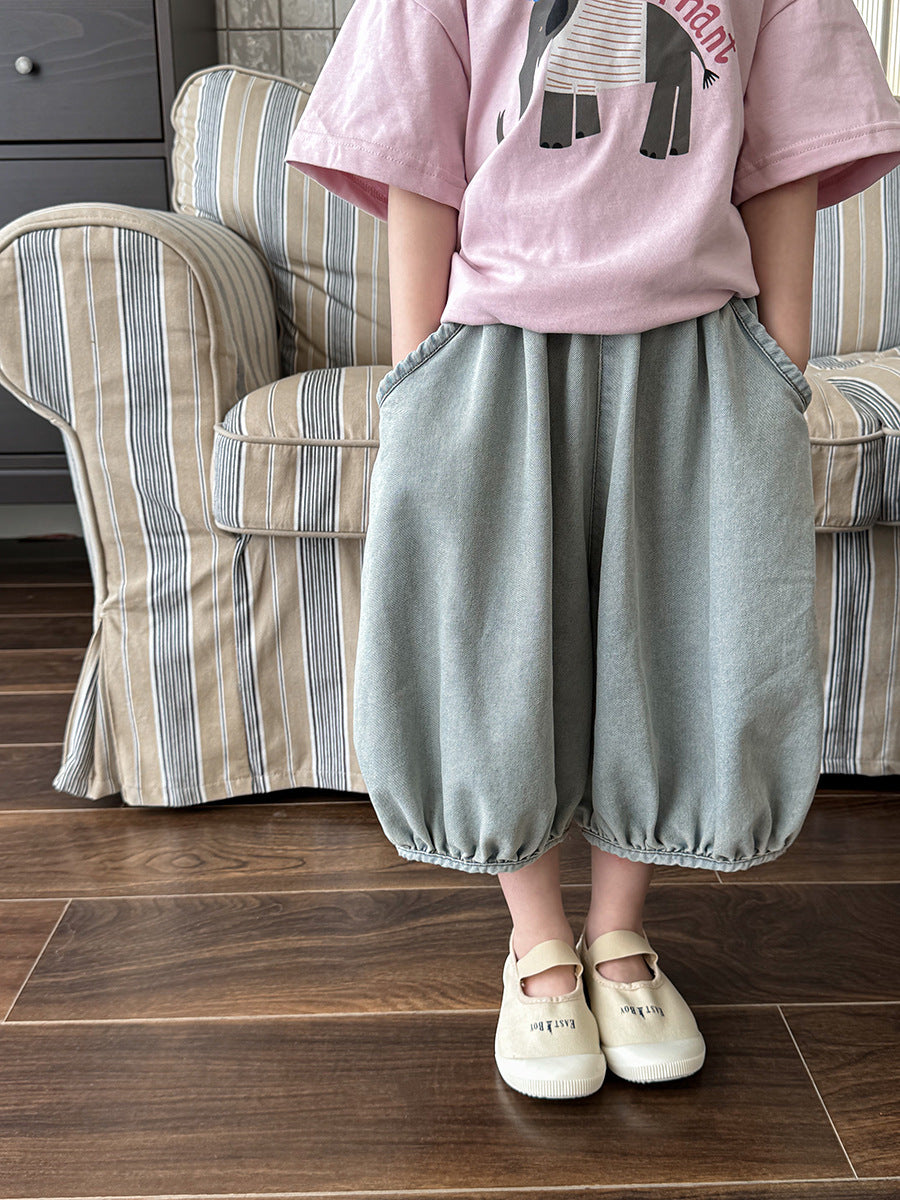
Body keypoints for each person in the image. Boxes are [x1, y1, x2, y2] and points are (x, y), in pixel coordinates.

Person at [284, 0, 900, 1100]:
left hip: (697, 342)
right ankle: (537, 943)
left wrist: (782, 365)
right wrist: (420, 373)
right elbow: (415, 149)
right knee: (496, 643)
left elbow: (790, 147)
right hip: (495, 343)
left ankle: (619, 933)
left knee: (676, 640)